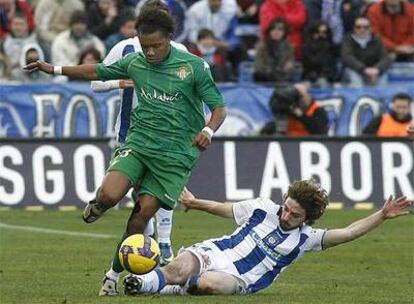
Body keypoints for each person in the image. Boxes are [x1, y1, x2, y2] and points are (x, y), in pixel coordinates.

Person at [24, 6, 227, 296]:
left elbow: (219, 107)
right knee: (108, 195)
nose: (151, 53)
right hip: (139, 143)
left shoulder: (192, 67)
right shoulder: (135, 61)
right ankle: (99, 205)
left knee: (140, 217)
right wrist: (53, 68)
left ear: (169, 38)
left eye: (156, 46)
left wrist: (208, 130)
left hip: (174, 157)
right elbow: (97, 71)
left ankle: (112, 275)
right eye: (146, 47)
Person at [121, 180, 412, 296]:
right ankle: (140, 284)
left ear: (307, 219)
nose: (286, 216)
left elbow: (348, 232)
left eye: (294, 215)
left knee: (205, 283)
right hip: (214, 252)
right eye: (286, 208)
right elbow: (225, 209)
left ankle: (169, 289)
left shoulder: (306, 239)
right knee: (179, 268)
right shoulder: (261, 207)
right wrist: (195, 203)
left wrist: (381, 215)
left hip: (239, 280)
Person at [89, 0, 191, 294]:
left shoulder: (181, 53)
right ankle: (147, 266)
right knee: (141, 209)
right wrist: (120, 82)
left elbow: (197, 85)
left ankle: (151, 262)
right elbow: (96, 83)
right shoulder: (125, 48)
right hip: (129, 138)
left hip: (168, 140)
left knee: (154, 202)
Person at [341, 16, 392, 88]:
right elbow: (347, 57)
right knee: (355, 79)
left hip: (374, 71)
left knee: (383, 78)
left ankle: (381, 98)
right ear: (354, 28)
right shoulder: (348, 40)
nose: (362, 29)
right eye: (358, 27)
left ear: (370, 28)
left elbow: (385, 58)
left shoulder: (376, 39)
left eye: (366, 27)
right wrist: (363, 69)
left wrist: (377, 69)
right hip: (355, 70)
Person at [253, 18, 295, 83]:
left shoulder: (288, 47)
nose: (276, 32)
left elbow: (289, 67)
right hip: (264, 79)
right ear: (269, 31)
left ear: (284, 32)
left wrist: (288, 67)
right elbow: (259, 67)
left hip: (282, 79)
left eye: (280, 30)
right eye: (273, 29)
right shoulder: (262, 46)